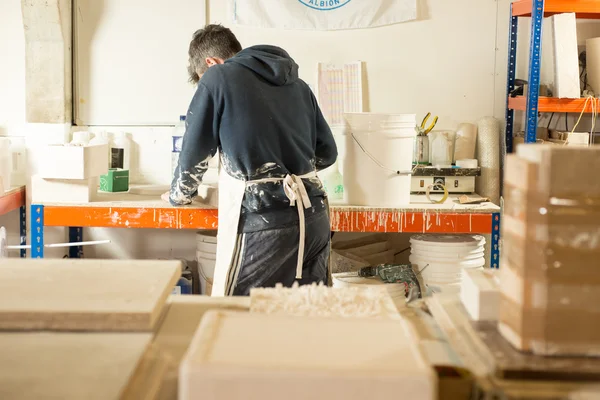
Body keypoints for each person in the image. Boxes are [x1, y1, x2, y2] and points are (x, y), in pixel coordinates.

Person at [163, 24, 337, 296]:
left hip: (263, 224)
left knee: (240, 317)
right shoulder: (299, 86)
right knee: (304, 315)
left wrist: (179, 195)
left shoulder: (218, 77)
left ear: (211, 62)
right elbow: (327, 154)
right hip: (314, 217)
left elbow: (194, 155)